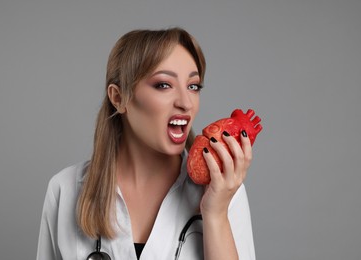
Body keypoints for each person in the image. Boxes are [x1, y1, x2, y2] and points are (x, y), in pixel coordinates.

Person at [37, 27, 256, 260]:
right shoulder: (65, 189)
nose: (186, 103)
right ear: (119, 98)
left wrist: (215, 214)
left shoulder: (224, 190)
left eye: (193, 86)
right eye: (163, 85)